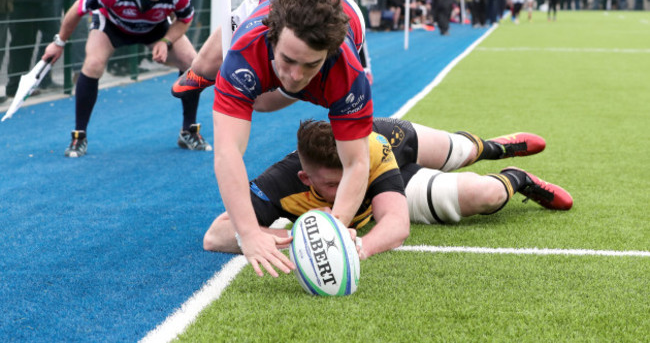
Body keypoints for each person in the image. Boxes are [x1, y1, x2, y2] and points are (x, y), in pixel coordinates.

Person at [173, 0, 373, 277]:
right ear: (272, 37)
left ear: (328, 55)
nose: (295, 75)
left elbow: (357, 162)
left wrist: (337, 225)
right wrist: (249, 234)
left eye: (310, 64)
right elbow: (228, 153)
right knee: (211, 70)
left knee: (263, 100)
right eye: (289, 60)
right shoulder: (247, 48)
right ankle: (202, 74)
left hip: (346, 20)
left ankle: (264, 80)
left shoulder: (349, 75)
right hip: (270, 6)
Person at [203, 118, 573, 259]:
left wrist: (358, 249)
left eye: (351, 175)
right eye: (334, 183)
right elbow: (215, 235)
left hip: (392, 144)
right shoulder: (281, 182)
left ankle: (496, 147)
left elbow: (396, 225)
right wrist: (282, 239)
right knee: (486, 195)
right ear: (306, 180)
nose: (349, 185)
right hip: (390, 185)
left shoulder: (370, 153)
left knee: (462, 152)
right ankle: (518, 178)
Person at [41, 0, 210, 157]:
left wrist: (166, 41)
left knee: (191, 61)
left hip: (155, 28)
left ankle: (188, 131)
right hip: (113, 26)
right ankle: (79, 136)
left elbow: (185, 20)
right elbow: (77, 9)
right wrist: (59, 42)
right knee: (93, 64)